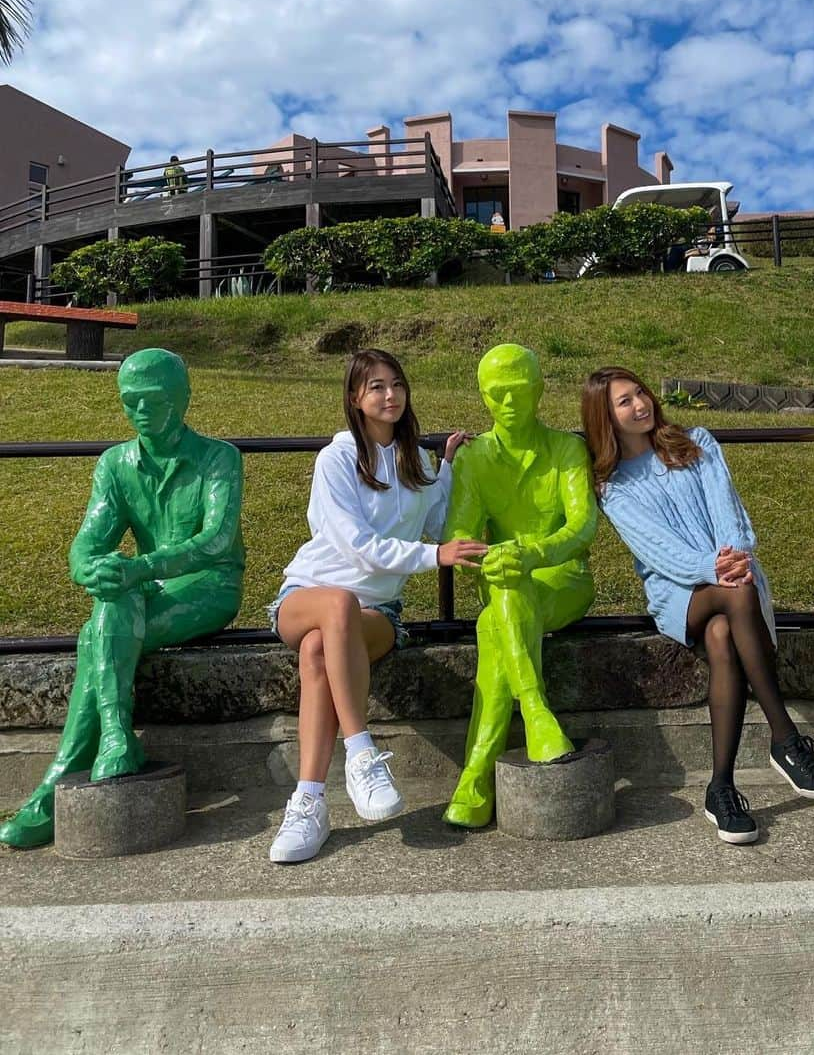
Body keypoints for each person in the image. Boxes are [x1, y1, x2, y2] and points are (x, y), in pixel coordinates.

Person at [581, 367, 814, 845]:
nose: (640, 404)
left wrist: (733, 557)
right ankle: (785, 739)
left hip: (732, 575)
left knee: (723, 635)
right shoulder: (613, 486)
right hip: (678, 593)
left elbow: (729, 510)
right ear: (605, 417)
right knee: (734, 594)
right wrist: (714, 568)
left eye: (640, 392)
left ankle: (720, 788)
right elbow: (656, 551)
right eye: (624, 402)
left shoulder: (695, 443)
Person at [0, 348, 245, 849]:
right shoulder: (116, 464)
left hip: (210, 587)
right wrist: (94, 569)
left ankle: (55, 782)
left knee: (99, 635)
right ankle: (115, 737)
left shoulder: (218, 458)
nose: (138, 411)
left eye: (151, 401)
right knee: (111, 608)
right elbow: (87, 541)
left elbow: (217, 539)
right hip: (144, 590)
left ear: (182, 400)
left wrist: (140, 568)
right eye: (129, 401)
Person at [267, 348, 485, 863]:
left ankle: (309, 802)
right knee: (334, 607)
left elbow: (432, 524)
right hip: (307, 595)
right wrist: (436, 556)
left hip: (376, 614)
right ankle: (361, 753)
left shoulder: (417, 460)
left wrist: (449, 466)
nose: (390, 396)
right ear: (355, 399)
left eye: (396, 385)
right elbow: (356, 545)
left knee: (321, 651)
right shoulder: (337, 458)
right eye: (376, 388)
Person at [442, 344, 597, 829]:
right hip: (504, 579)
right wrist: (490, 559)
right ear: (485, 397)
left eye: (521, 391)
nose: (510, 403)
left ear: (539, 390)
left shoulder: (567, 450)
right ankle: (535, 717)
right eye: (498, 394)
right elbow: (458, 536)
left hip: (564, 580)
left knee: (500, 612)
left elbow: (583, 527)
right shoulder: (474, 458)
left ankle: (477, 776)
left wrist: (531, 552)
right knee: (504, 606)